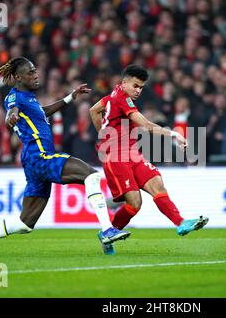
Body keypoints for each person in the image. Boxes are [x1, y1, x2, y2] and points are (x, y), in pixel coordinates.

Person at [0, 57, 130, 256]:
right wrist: (11, 116)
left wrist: (70, 97)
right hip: (39, 155)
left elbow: (42, 113)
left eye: (35, 71)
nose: (36, 75)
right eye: (30, 73)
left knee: (24, 223)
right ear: (18, 77)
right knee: (91, 175)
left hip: (34, 161)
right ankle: (107, 230)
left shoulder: (30, 99)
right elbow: (12, 109)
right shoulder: (15, 97)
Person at [89, 64, 209, 255]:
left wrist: (102, 132)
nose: (138, 91)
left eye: (141, 87)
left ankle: (181, 223)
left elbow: (94, 110)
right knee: (134, 203)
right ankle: (107, 234)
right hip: (116, 155)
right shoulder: (122, 98)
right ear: (125, 83)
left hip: (132, 153)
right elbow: (145, 125)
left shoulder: (114, 94)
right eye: (135, 86)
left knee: (157, 184)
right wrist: (174, 134)